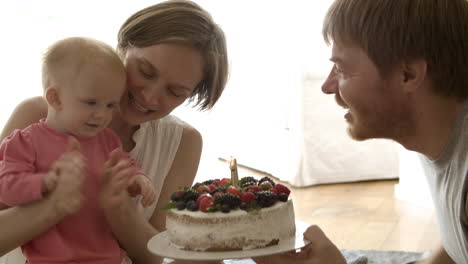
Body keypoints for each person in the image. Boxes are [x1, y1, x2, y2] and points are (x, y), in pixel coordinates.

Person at [0, 1, 228, 264]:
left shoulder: (183, 142)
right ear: (123, 47)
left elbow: (156, 258)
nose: (151, 97)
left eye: (175, 92)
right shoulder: (38, 116)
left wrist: (119, 209)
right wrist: (53, 204)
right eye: (145, 71)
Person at [254, 0, 468, 263]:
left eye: (342, 69)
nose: (328, 86)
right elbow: (454, 249)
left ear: (408, 75)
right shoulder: (442, 135)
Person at [0, 36, 157, 263]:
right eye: (91, 103)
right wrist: (45, 183)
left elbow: (124, 165)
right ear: (55, 98)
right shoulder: (25, 141)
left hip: (109, 258)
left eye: (110, 105)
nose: (102, 115)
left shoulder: (107, 140)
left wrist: (138, 179)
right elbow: (6, 187)